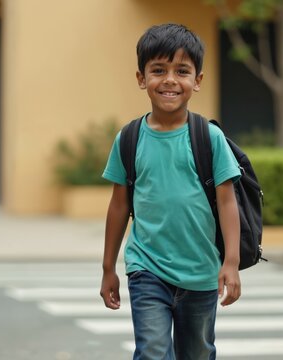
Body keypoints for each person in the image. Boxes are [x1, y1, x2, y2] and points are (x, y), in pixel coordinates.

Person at [100, 23, 241, 360]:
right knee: (152, 353)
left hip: (201, 271)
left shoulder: (209, 138)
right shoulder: (130, 138)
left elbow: (226, 201)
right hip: (147, 268)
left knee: (196, 353)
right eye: (158, 70)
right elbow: (119, 206)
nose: (169, 80)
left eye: (182, 71)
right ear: (141, 78)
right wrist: (108, 268)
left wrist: (231, 262)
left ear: (198, 80)